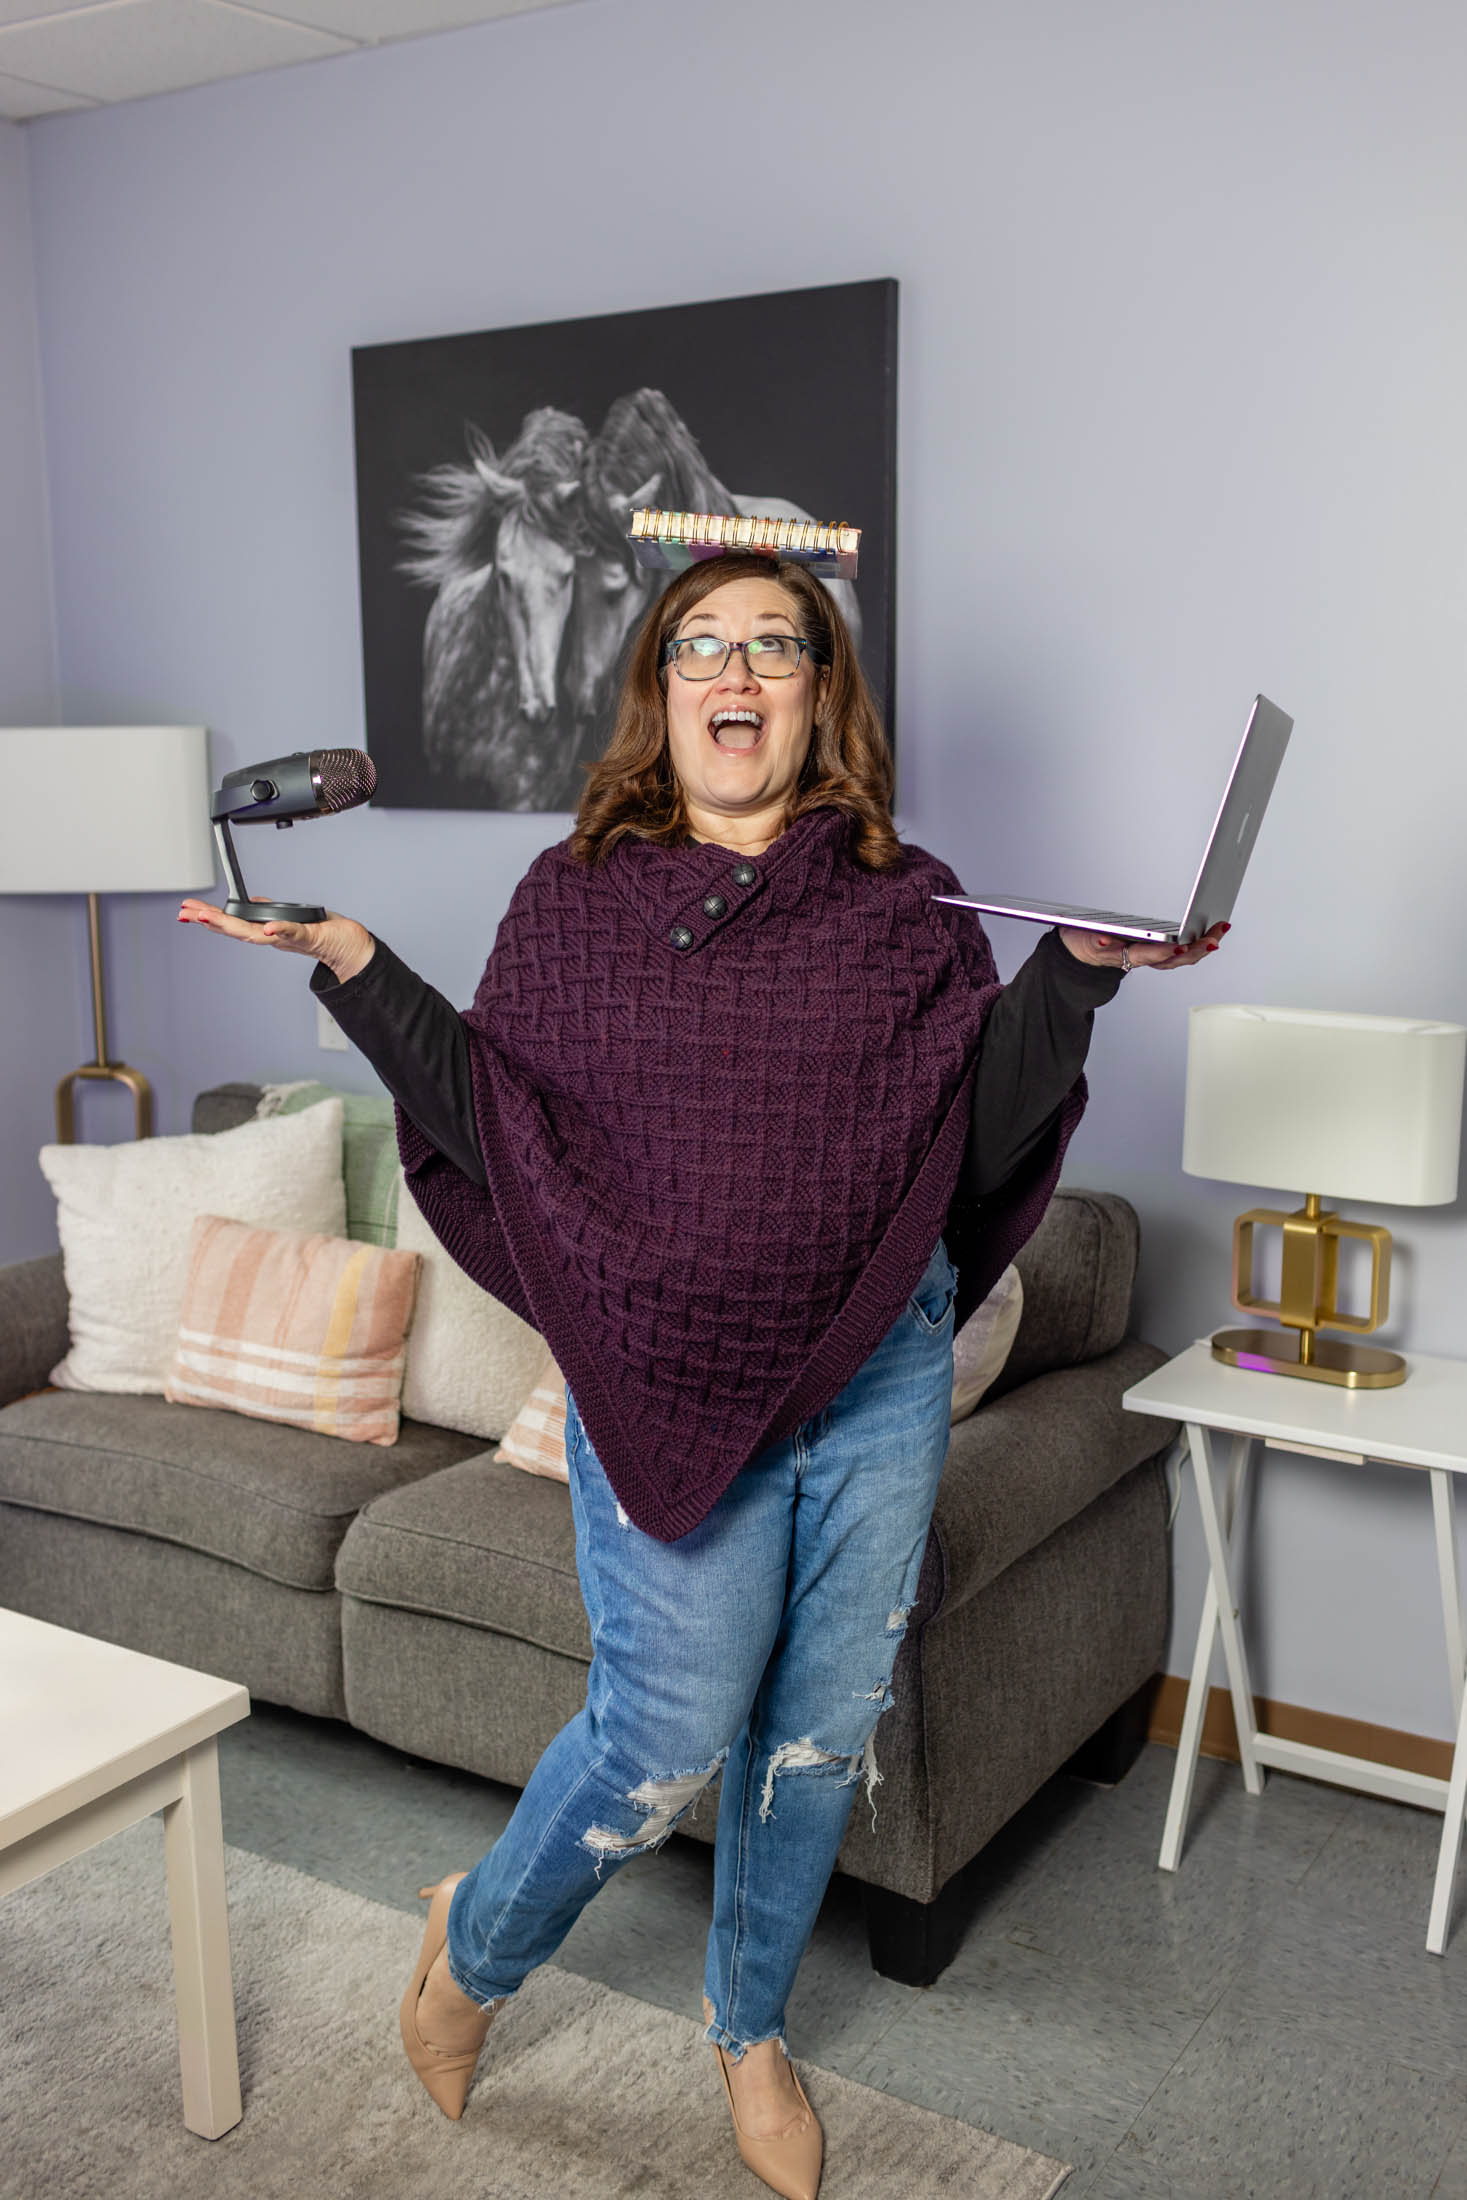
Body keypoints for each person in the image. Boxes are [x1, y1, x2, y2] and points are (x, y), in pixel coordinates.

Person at [181, 552, 1224, 2199]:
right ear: (661, 690)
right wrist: (359, 962)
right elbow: (493, 1117)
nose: (738, 675)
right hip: (668, 1384)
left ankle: (748, 2024)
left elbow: (978, 1136)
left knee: (817, 1734)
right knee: (666, 1732)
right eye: (701, 648)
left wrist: (1078, 975)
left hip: (880, 1379)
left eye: (777, 648)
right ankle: (474, 1954)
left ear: (823, 694)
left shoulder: (911, 900)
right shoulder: (575, 897)